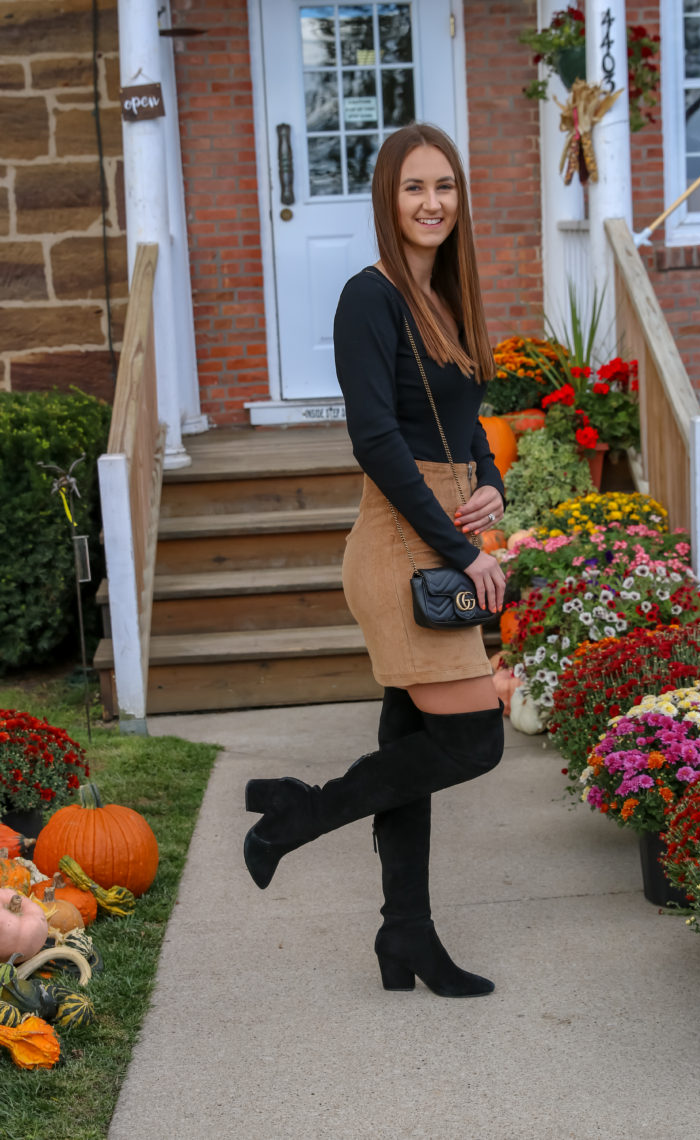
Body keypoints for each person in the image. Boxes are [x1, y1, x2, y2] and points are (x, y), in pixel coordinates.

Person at [244, 123, 507, 998]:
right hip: (403, 539)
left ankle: (406, 937)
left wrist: (494, 485)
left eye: (446, 187)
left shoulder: (449, 296)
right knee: (473, 739)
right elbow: (376, 440)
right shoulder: (372, 296)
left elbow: (467, 420)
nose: (433, 203)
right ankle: (297, 813)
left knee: (414, 742)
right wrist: (460, 547)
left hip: (440, 527)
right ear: (387, 201)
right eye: (414, 188)